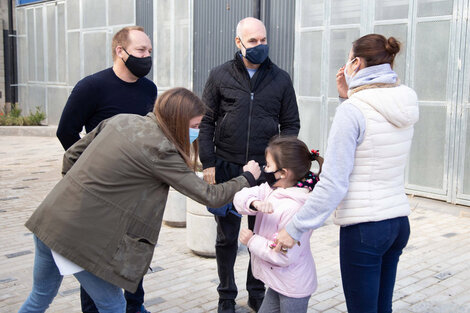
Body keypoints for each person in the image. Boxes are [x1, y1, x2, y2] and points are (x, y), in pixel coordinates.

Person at [19, 88, 261, 313]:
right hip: (79, 240)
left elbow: (71, 157)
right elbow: (210, 195)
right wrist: (247, 177)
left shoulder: (122, 120)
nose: (196, 131)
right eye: (195, 125)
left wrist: (78, 196)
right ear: (177, 121)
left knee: (39, 297)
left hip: (49, 219)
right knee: (113, 305)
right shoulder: (161, 150)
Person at [273, 34, 419, 313]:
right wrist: (348, 96)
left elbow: (334, 183)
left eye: (348, 57)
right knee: (381, 308)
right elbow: (372, 143)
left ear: (356, 62)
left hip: (365, 228)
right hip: (397, 221)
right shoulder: (404, 99)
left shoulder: (353, 110)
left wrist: (294, 228)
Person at [198, 17, 300, 313]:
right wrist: (208, 162)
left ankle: (257, 292)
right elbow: (206, 121)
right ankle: (226, 296)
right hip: (228, 168)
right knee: (227, 237)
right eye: (253, 41)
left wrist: (280, 165)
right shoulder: (219, 76)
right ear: (238, 43)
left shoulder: (281, 79)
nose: (259, 46)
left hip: (266, 174)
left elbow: (290, 123)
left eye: (263, 40)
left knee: (263, 236)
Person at [56, 26, 157, 313]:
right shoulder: (91, 87)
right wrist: (91, 169)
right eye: (141, 51)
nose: (147, 57)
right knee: (97, 259)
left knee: (135, 252)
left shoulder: (149, 89)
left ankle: (134, 307)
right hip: (100, 193)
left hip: (136, 192)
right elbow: (66, 132)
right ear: (120, 51)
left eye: (149, 51)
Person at [234, 136, 323, 313]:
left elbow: (284, 255)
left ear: (283, 172)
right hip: (279, 281)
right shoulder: (273, 189)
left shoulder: (295, 208)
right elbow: (239, 196)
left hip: (293, 286)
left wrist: (252, 241)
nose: (264, 169)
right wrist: (255, 203)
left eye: (267, 165)